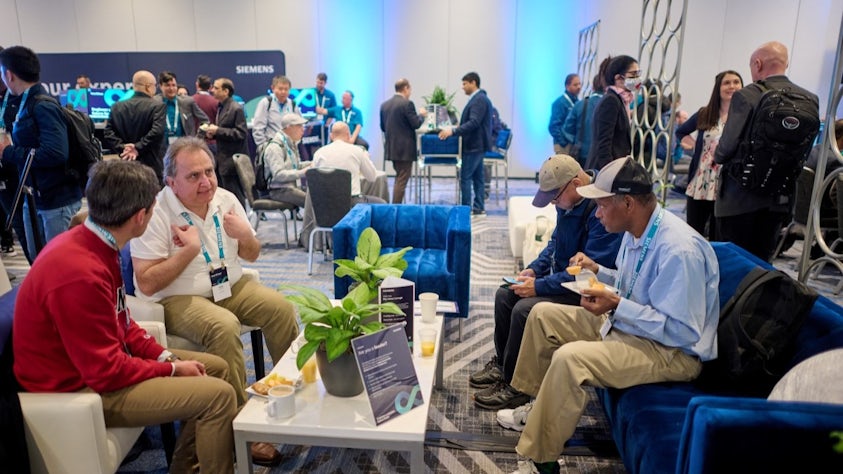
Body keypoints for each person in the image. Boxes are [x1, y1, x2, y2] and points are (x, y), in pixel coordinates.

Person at [13, 159, 238, 472]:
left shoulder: (97, 244)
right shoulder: (79, 272)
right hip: (78, 388)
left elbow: (123, 323)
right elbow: (105, 372)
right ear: (140, 216)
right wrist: (171, 370)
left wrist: (165, 358)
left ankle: (186, 467)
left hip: (96, 369)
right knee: (219, 396)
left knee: (219, 368)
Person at [498, 157, 719, 474]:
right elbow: (635, 283)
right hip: (635, 328)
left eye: (601, 206)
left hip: (672, 352)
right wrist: (599, 271)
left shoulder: (679, 250)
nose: (597, 214)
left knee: (570, 358)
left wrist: (615, 304)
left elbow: (682, 332)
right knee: (542, 315)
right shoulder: (638, 229)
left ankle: (540, 461)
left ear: (627, 203)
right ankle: (538, 410)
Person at [130, 137, 298, 409]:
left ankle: (287, 390)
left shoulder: (226, 199)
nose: (206, 182)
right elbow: (146, 283)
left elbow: (252, 254)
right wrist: (188, 251)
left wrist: (245, 236)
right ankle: (237, 417)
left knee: (281, 308)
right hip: (177, 297)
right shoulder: (157, 212)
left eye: (209, 171)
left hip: (230, 285)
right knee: (224, 325)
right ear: (171, 183)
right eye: (194, 176)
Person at [471, 155, 622, 410]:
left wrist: (539, 286)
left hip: (584, 291)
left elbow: (586, 274)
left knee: (524, 309)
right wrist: (532, 270)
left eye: (555, 197)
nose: (554, 202)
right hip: (561, 280)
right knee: (505, 295)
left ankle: (516, 386)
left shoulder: (600, 211)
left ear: (575, 183)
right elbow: (555, 244)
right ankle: (503, 365)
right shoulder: (568, 202)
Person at [714, 41, 819, 261]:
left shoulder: (747, 95)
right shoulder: (810, 99)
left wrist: (718, 154)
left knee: (732, 261)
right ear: (786, 63)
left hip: (739, 197)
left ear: (758, 64)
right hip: (780, 198)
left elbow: (725, 149)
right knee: (763, 263)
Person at [0, 45, 83, 257]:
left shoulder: (41, 105)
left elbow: (55, 152)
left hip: (55, 200)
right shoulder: (27, 102)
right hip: (36, 196)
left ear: (9, 75)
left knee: (60, 264)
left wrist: (8, 151)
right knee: (41, 262)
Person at [676, 70, 743, 239]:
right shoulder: (705, 113)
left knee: (719, 235)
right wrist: (692, 146)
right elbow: (681, 131)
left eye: (736, 82)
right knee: (693, 232)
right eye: (727, 83)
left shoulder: (744, 116)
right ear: (718, 88)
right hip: (700, 181)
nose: (732, 86)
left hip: (726, 185)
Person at [439, 72, 493, 216]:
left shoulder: (478, 100)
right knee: (478, 178)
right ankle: (478, 207)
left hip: (474, 145)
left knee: (466, 178)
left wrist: (454, 130)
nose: (462, 87)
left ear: (473, 83)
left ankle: (465, 209)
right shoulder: (479, 98)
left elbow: (474, 122)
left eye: (465, 84)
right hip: (477, 145)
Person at [103, 70, 167, 182]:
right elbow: (157, 132)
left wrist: (123, 148)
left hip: (126, 167)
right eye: (154, 85)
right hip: (151, 168)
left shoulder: (116, 107)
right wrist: (137, 148)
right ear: (148, 87)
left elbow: (108, 132)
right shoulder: (158, 106)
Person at [585, 55, 641, 171]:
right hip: (604, 170)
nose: (637, 78)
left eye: (638, 74)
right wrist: (609, 173)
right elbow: (604, 143)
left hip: (614, 167)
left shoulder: (620, 100)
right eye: (633, 74)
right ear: (618, 78)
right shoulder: (611, 101)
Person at [204, 77, 248, 209]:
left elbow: (241, 133)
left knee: (235, 196)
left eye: (216, 88)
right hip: (222, 159)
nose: (212, 90)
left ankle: (242, 224)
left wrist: (218, 130)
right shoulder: (220, 107)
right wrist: (214, 133)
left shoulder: (236, 108)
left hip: (232, 161)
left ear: (226, 91)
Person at [380, 78, 427, 203]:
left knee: (399, 177)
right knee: (402, 180)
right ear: (406, 88)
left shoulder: (384, 105)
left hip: (392, 148)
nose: (410, 92)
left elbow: (383, 127)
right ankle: (396, 208)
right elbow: (416, 124)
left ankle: (395, 206)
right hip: (405, 150)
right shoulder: (407, 104)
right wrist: (422, 115)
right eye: (409, 89)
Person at [562, 57, 612, 165]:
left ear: (593, 87)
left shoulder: (580, 104)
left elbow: (567, 128)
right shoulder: (611, 105)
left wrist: (575, 140)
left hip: (582, 152)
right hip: (604, 154)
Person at [264, 113, 311, 208]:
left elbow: (295, 166)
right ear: (289, 128)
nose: (303, 129)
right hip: (279, 190)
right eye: (299, 126)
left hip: (291, 187)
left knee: (319, 195)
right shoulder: (275, 147)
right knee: (312, 202)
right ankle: (312, 223)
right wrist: (303, 172)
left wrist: (312, 164)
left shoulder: (290, 144)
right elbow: (278, 175)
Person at [155, 71, 210, 148]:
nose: (171, 88)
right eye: (167, 85)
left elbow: (205, 121)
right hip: (161, 149)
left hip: (184, 148)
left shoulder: (187, 102)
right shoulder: (154, 102)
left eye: (174, 85)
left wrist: (198, 138)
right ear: (160, 86)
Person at [251, 75, 300, 151]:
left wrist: (295, 144)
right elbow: (258, 129)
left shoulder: (293, 105)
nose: (283, 92)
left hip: (290, 149)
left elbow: (299, 127)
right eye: (280, 89)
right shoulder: (266, 103)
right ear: (273, 88)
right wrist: (265, 148)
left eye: (286, 89)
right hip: (271, 148)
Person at [548, 73, 582, 154]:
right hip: (563, 145)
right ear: (567, 86)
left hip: (574, 144)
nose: (579, 87)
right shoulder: (560, 103)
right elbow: (553, 126)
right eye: (575, 85)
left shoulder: (578, 102)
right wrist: (563, 142)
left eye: (580, 84)